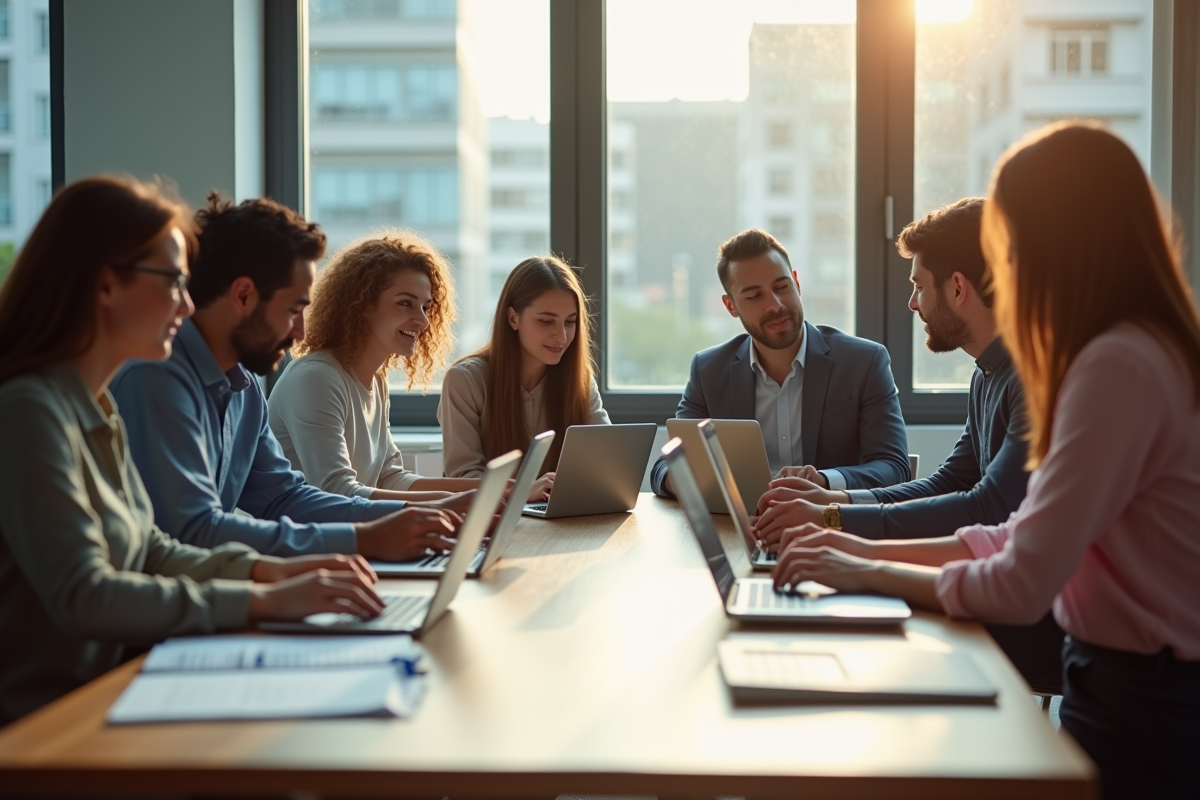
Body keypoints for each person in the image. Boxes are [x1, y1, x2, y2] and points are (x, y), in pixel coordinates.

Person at [771, 123, 1200, 800]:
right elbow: (1007, 532)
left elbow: (1019, 578)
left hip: (1146, 703)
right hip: (1126, 685)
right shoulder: (1130, 351)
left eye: (1012, 242)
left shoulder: (1115, 366)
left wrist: (859, 565)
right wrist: (845, 544)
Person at [0, 177, 385, 724]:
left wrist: (267, 575)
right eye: (173, 282)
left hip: (116, 687)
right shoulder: (28, 410)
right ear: (105, 285)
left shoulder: (96, 404)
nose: (186, 304)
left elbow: (151, 549)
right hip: (50, 720)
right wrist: (260, 599)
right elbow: (85, 594)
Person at [752, 198, 1062, 692]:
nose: (913, 303)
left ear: (957, 287)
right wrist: (834, 501)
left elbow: (991, 505)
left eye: (919, 285)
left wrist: (834, 525)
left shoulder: (1034, 376)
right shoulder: (988, 374)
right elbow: (953, 481)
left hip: (1038, 624)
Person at [110, 195, 467, 561]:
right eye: (294, 310)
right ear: (244, 296)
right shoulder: (155, 378)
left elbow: (283, 496)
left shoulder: (244, 389)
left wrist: (413, 518)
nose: (299, 332)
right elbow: (192, 530)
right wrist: (362, 540)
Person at [650, 228, 910, 499]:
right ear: (731, 306)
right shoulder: (708, 370)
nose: (775, 305)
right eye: (754, 296)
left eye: (782, 287)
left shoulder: (864, 363)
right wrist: (689, 482)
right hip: (744, 527)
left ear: (796, 283)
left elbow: (895, 467)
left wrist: (824, 481)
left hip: (830, 524)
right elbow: (665, 465)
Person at [269, 231, 478, 502]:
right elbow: (338, 493)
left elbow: (391, 478)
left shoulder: (376, 379)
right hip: (310, 542)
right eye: (406, 303)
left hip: (352, 538)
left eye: (425, 307)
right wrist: (447, 505)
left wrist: (496, 489)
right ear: (363, 306)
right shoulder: (317, 378)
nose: (423, 321)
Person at [439, 256, 609, 483]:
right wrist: (523, 492)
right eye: (547, 321)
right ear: (513, 318)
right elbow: (463, 478)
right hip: (496, 517)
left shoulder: (579, 380)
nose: (562, 335)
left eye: (570, 321)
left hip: (562, 516)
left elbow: (608, 459)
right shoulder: (465, 381)